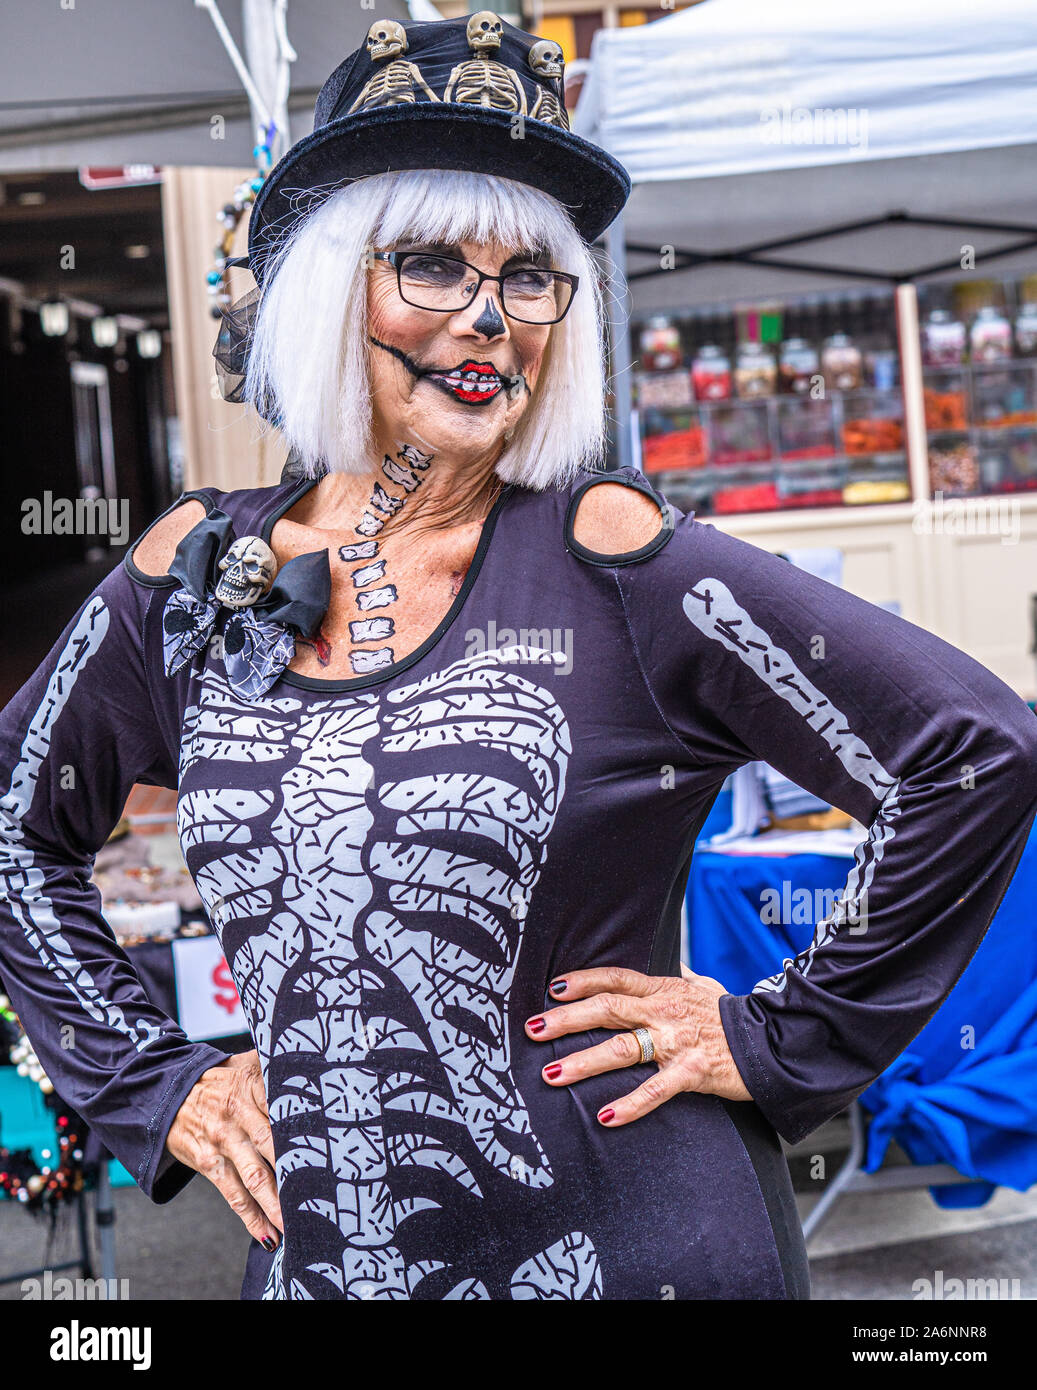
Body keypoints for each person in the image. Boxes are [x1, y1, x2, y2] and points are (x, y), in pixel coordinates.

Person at [2, 13, 1036, 1302]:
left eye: (532, 274)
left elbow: (976, 753)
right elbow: (12, 827)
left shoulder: (623, 564)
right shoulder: (196, 572)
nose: (490, 318)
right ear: (335, 289)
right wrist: (156, 1083)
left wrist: (777, 1038)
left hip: (639, 1253)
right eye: (430, 265)